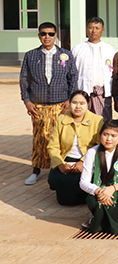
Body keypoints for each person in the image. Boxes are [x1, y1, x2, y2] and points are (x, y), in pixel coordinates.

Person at [20, 22, 79, 185]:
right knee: (40, 138)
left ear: (56, 36)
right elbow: (24, 79)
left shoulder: (65, 54)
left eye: (51, 34)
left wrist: (70, 99)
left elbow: (73, 77)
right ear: (39, 36)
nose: (47, 37)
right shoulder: (30, 55)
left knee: (62, 136)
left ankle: (60, 167)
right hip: (38, 105)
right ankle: (36, 170)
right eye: (44, 34)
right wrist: (27, 101)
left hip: (61, 104)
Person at [79, 119, 118, 234]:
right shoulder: (92, 152)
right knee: (95, 201)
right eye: (105, 134)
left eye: (113, 135)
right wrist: (99, 191)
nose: (109, 139)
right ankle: (101, 221)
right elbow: (83, 181)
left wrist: (113, 188)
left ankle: (104, 222)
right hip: (99, 189)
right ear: (100, 135)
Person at [47, 90, 103, 204]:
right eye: (74, 102)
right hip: (66, 161)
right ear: (69, 103)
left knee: (83, 182)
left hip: (87, 161)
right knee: (57, 184)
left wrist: (83, 162)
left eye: (82, 103)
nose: (78, 106)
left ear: (88, 104)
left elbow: (99, 145)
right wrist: (60, 164)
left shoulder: (97, 120)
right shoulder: (61, 119)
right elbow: (53, 146)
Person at [71, 17, 116, 122]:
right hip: (83, 92)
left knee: (104, 122)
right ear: (87, 29)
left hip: (103, 93)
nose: (94, 31)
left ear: (102, 30)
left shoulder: (109, 49)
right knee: (83, 121)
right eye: (91, 28)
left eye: (97, 28)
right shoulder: (77, 49)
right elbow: (71, 72)